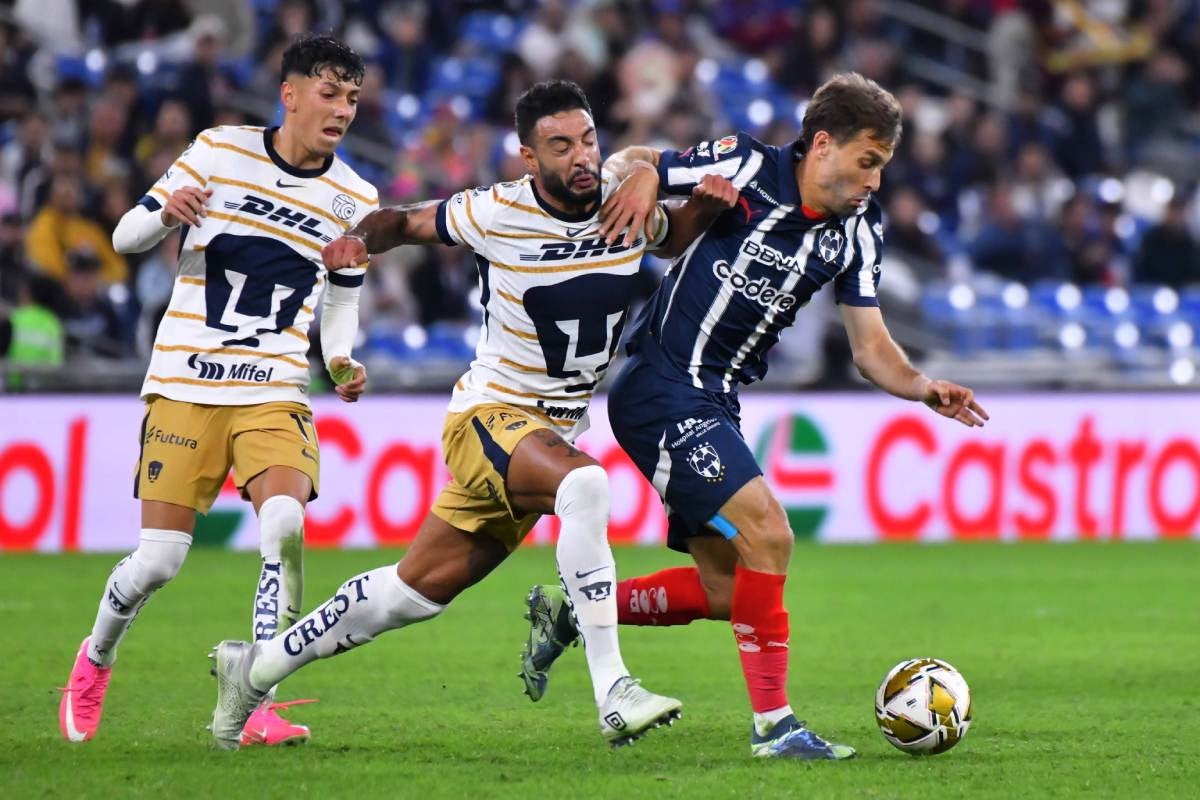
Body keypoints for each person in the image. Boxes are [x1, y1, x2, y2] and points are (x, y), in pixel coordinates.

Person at [207, 79, 738, 750]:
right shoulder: (494, 211)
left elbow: (665, 237)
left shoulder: (620, 203)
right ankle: (614, 690)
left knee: (410, 595)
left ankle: (253, 668)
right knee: (586, 485)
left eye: (587, 140)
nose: (580, 157)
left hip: (549, 433)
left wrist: (705, 208)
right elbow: (402, 221)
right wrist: (354, 244)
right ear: (526, 157)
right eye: (559, 145)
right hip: (490, 416)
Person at [520, 72, 989, 760]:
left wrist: (921, 386)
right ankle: (775, 727)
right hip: (661, 384)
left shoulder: (859, 228)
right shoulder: (747, 164)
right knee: (770, 533)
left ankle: (574, 612)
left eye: (882, 168)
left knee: (725, 590)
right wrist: (645, 176)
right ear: (822, 145)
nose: (874, 182)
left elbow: (869, 345)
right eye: (868, 162)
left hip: (716, 400)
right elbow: (633, 159)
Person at [58, 34, 378, 748]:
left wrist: (343, 359)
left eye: (352, 98)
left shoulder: (356, 195)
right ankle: (96, 657)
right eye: (329, 93)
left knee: (285, 528)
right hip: (185, 382)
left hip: (274, 387)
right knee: (160, 562)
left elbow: (341, 297)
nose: (342, 110)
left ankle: (255, 694)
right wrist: (167, 211)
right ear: (289, 94)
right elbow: (124, 237)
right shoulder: (217, 149)